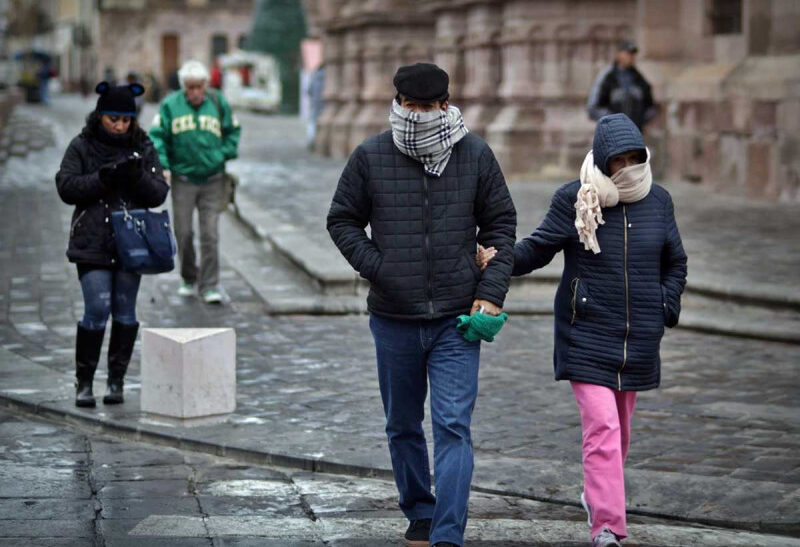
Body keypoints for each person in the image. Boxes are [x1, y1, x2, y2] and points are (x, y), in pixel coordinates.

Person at [327, 63, 516, 547]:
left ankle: (448, 534)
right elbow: (342, 220)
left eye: (428, 107)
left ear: (445, 106)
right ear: (398, 104)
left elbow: (500, 226)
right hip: (393, 317)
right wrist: (380, 266)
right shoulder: (371, 155)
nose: (419, 116)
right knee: (402, 425)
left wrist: (491, 292)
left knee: (453, 426)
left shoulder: (475, 154)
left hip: (457, 319)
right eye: (411, 106)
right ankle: (420, 510)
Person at [478, 113, 687, 547]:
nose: (627, 168)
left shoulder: (658, 200)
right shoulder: (576, 198)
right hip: (586, 333)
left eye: (634, 158)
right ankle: (607, 526)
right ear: (604, 160)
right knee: (603, 429)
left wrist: (665, 303)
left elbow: (675, 261)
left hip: (638, 338)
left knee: (619, 433)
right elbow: (539, 248)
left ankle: (596, 494)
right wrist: (499, 259)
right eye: (619, 160)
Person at [55, 82, 169, 408]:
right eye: (113, 119)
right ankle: (84, 382)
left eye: (126, 120)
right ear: (100, 116)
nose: (120, 126)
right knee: (97, 308)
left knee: (125, 310)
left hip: (132, 242)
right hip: (92, 239)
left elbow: (159, 192)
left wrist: (136, 177)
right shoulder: (82, 145)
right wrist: (102, 178)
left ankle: (116, 381)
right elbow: (66, 186)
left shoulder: (142, 146)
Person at [149, 60, 241, 304]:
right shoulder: (170, 105)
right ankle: (189, 276)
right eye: (190, 87)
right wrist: (164, 165)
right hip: (183, 179)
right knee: (184, 232)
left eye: (199, 87)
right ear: (183, 87)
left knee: (210, 234)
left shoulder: (218, 103)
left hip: (213, 179)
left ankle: (210, 284)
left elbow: (233, 131)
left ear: (205, 85)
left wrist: (222, 154)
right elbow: (157, 137)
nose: (196, 92)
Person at [587, 41, 656, 130]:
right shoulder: (607, 76)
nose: (630, 57)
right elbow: (593, 108)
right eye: (627, 53)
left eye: (632, 54)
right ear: (619, 54)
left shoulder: (639, 78)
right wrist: (613, 122)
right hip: (613, 133)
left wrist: (639, 121)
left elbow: (650, 107)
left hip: (634, 133)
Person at [305, 63, 325, 150]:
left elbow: (309, 91)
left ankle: (312, 141)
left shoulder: (314, 76)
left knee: (312, 123)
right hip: (326, 105)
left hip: (315, 104)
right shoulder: (329, 77)